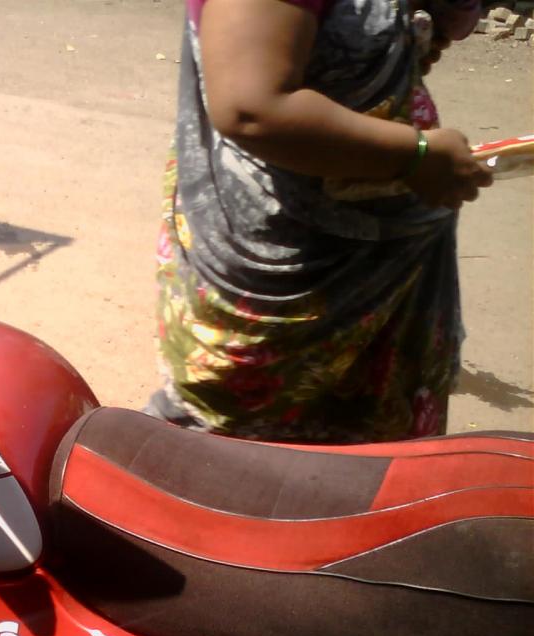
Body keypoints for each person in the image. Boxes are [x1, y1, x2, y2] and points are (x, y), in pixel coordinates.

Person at [147, 0, 493, 442]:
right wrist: (417, 156)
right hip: (289, 291)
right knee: (234, 468)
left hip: (372, 283)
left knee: (354, 480)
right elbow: (251, 108)